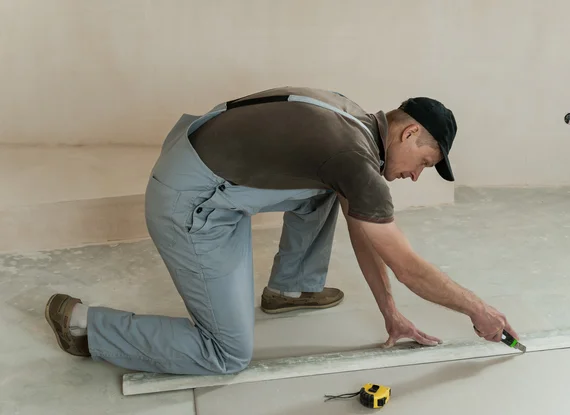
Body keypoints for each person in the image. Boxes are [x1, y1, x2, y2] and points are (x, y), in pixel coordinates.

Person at [44, 86, 518, 375]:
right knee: (225, 354)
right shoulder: (354, 161)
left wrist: (390, 314)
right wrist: (479, 311)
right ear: (410, 134)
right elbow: (408, 265)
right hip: (189, 201)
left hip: (192, 157)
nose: (417, 175)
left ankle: (290, 290)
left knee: (325, 191)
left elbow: (366, 230)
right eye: (425, 163)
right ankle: (86, 325)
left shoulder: (352, 118)